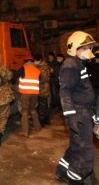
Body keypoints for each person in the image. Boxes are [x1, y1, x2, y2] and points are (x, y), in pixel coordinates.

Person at [55, 31, 99, 184]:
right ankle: (75, 179)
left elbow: (82, 91)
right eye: (87, 48)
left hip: (83, 112)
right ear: (76, 48)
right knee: (85, 155)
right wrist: (70, 114)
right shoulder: (70, 65)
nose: (90, 52)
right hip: (78, 114)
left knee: (76, 147)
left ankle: (61, 171)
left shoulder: (79, 64)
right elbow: (65, 90)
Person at [12, 54, 41, 137]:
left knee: (25, 111)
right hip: (35, 93)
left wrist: (12, 83)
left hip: (25, 93)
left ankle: (25, 131)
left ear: (24, 61)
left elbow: (14, 78)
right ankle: (38, 127)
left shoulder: (23, 68)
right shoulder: (37, 70)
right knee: (33, 109)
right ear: (32, 61)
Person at [34, 53, 51, 127]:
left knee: (41, 106)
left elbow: (43, 78)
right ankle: (46, 120)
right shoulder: (45, 66)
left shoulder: (41, 67)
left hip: (42, 88)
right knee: (45, 105)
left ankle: (42, 122)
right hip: (44, 87)